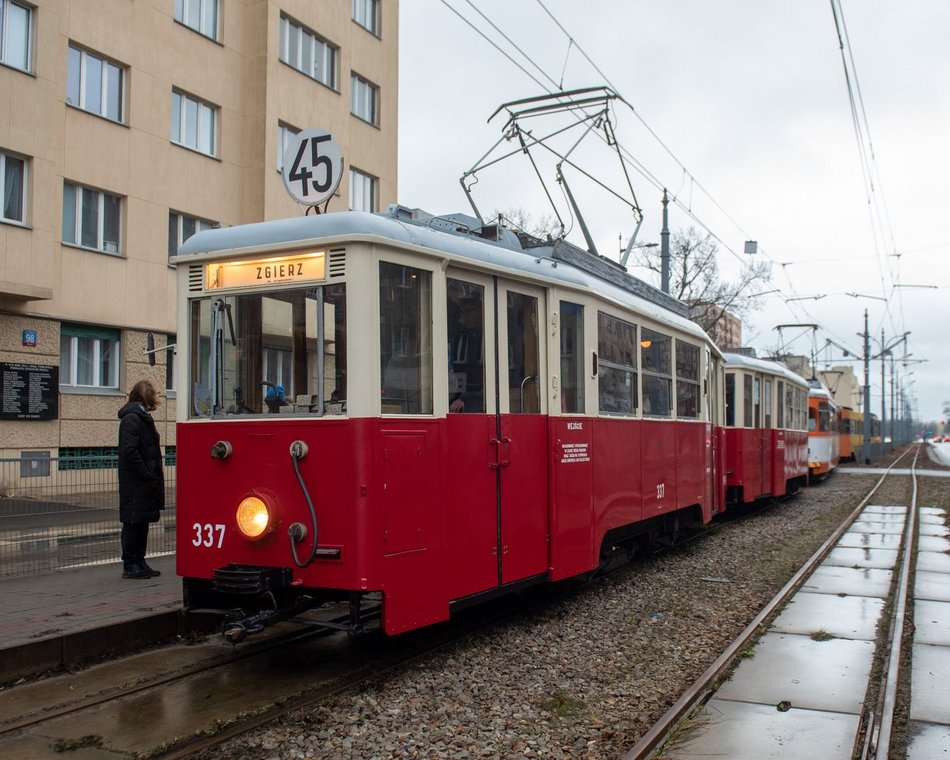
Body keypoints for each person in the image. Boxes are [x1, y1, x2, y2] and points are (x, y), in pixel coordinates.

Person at [117, 379, 165, 579]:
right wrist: (146, 474)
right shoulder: (132, 419)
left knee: (142, 522)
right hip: (136, 483)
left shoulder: (142, 417)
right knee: (133, 523)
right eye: (153, 393)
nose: (156, 397)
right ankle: (130, 564)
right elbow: (129, 451)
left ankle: (140, 561)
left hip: (143, 482)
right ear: (146, 396)